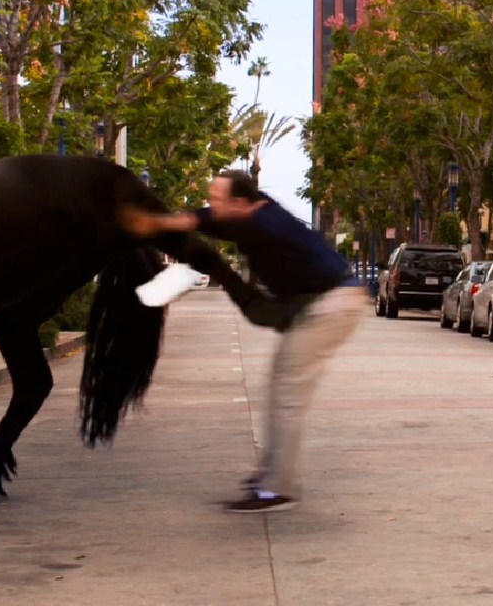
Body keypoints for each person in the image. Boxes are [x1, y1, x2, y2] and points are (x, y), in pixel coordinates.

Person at [120, 170, 365, 513]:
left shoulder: (264, 224)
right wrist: (161, 222)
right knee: (282, 389)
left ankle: (277, 489)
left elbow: (206, 222)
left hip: (333, 304)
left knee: (288, 394)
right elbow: (203, 219)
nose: (212, 206)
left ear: (240, 203)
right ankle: (274, 478)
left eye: (218, 200)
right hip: (322, 303)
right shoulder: (251, 214)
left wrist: (156, 223)